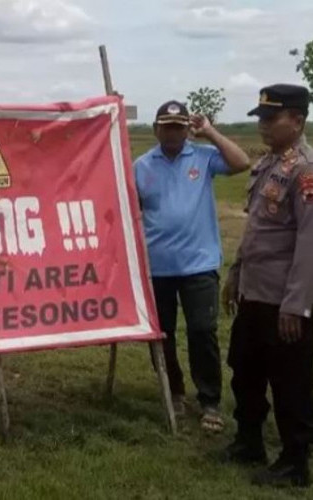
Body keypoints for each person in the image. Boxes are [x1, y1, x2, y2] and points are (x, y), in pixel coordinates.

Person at [134, 100, 250, 432]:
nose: (173, 133)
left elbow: (241, 162)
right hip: (157, 267)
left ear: (188, 129)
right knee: (162, 335)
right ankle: (173, 392)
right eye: (167, 127)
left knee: (202, 331)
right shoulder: (140, 166)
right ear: (156, 129)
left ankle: (210, 400)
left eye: (179, 127)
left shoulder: (203, 156)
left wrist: (211, 131)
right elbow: (130, 209)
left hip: (199, 264)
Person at [222, 84, 313, 487]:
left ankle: (295, 460)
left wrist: (297, 305)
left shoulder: (305, 170)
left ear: (297, 120)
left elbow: (309, 243)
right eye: (259, 118)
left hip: (284, 300)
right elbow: (257, 229)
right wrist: (236, 275)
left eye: (270, 119)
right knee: (245, 371)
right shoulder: (269, 164)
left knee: (290, 382)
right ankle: (249, 441)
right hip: (254, 292)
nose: (262, 126)